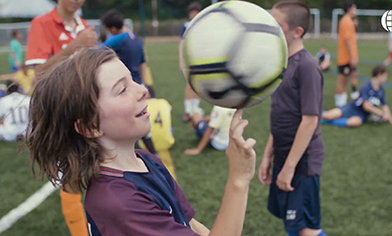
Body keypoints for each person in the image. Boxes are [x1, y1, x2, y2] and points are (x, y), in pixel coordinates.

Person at [28, 48, 257, 236]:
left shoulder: (145, 160)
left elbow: (189, 224)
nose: (143, 90)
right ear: (90, 127)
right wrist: (239, 178)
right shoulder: (118, 203)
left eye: (134, 80)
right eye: (122, 90)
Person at [25, 0, 97, 235]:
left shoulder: (82, 24)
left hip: (88, 107)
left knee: (101, 170)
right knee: (72, 175)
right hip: (60, 111)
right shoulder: (42, 23)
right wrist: (75, 46)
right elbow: (39, 74)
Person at [258, 1, 327, 236]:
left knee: (307, 229)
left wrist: (289, 167)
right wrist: (268, 156)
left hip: (302, 162)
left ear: (297, 32)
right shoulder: (282, 63)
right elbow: (281, 117)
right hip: (284, 155)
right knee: (293, 225)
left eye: (277, 25)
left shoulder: (307, 67)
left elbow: (309, 121)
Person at [100, 9, 159, 157]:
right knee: (140, 118)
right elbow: (143, 63)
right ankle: (153, 153)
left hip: (125, 88)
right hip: (138, 84)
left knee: (129, 124)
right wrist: (143, 84)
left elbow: (97, 51)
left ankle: (135, 154)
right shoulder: (136, 38)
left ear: (113, 28)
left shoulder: (120, 38)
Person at [322, 65, 392, 128]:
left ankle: (329, 121)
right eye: (385, 76)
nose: (386, 79)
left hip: (361, 115)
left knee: (354, 123)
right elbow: (366, 106)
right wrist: (381, 113)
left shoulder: (381, 90)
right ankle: (322, 117)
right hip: (351, 108)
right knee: (327, 116)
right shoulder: (366, 87)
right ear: (379, 75)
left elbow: (385, 105)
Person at [179, 2, 202, 122]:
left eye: (195, 12)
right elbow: (181, 43)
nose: (193, 14)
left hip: (200, 59)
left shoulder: (203, 24)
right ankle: (188, 112)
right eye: (191, 12)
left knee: (197, 86)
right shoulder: (186, 25)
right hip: (189, 59)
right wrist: (180, 60)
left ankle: (195, 110)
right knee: (189, 85)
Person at [335, 1, 359, 107]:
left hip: (347, 56)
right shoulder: (346, 21)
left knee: (348, 78)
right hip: (345, 57)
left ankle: (343, 101)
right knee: (342, 80)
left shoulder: (348, 21)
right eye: (354, 8)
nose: (356, 11)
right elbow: (347, 40)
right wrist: (352, 57)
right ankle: (339, 103)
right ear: (349, 9)